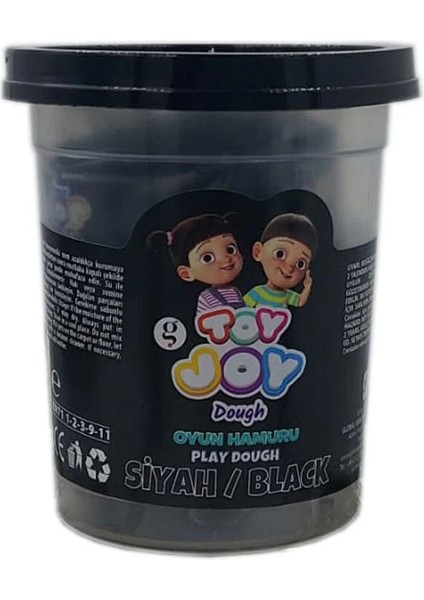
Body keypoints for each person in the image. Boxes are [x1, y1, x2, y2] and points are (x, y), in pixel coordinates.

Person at [147, 213, 244, 315]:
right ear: (186, 273)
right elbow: (203, 321)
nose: (226, 259)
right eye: (207, 258)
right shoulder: (207, 298)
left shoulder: (235, 291)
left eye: (230, 249)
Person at [244, 213, 317, 309]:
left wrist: (307, 287)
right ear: (258, 252)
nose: (289, 268)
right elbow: (244, 307)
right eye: (280, 254)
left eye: (300, 264)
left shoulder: (287, 295)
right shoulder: (258, 292)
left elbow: (300, 302)